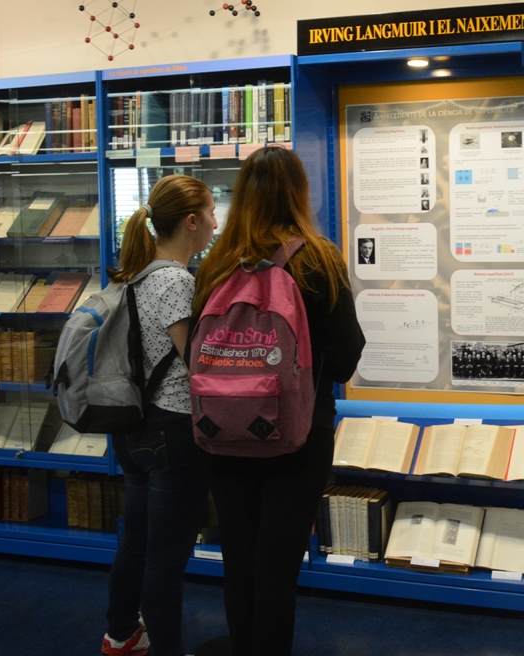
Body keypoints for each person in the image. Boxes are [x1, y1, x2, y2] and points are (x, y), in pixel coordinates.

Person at [193, 146, 365, 656]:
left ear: (241, 196)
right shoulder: (318, 260)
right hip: (298, 434)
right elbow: (346, 357)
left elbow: (193, 353)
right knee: (277, 569)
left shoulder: (216, 263)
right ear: (299, 193)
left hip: (222, 430)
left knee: (239, 561)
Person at [102, 175, 217, 656]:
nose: (215, 223)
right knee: (166, 559)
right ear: (191, 222)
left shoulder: (138, 274)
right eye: (210, 213)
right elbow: (195, 363)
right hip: (172, 431)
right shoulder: (176, 281)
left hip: (134, 427)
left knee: (136, 544)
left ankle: (120, 635)